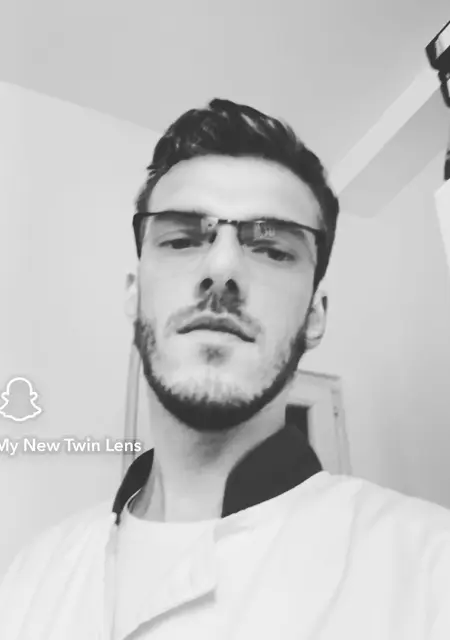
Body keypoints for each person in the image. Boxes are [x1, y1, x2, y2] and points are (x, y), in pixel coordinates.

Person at [1, 98, 449, 640]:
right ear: (135, 294)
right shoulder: (27, 580)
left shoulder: (430, 573)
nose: (221, 267)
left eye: (272, 250)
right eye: (182, 239)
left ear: (314, 316)